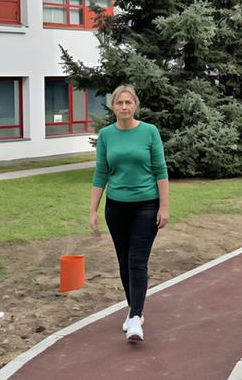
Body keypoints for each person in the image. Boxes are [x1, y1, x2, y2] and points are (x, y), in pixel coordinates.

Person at [89, 85, 169, 343]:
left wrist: (164, 207)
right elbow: (101, 172)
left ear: (135, 105)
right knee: (124, 262)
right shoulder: (106, 135)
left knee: (137, 261)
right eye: (119, 103)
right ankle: (134, 310)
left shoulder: (149, 132)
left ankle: (136, 317)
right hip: (116, 208)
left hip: (146, 206)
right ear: (113, 106)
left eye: (128, 102)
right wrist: (93, 210)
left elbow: (160, 170)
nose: (124, 107)